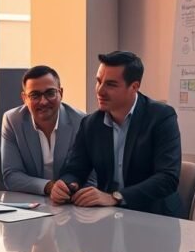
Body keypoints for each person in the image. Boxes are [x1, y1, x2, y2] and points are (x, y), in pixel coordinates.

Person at [51, 51, 184, 217]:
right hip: (109, 216)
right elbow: (75, 169)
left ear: (134, 87)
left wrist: (116, 197)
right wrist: (65, 184)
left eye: (111, 85)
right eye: (98, 81)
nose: (100, 91)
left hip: (155, 217)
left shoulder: (161, 117)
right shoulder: (91, 123)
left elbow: (167, 178)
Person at [0, 65, 87, 196]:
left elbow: (91, 175)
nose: (43, 102)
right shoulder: (12, 121)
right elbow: (11, 176)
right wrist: (49, 187)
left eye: (50, 93)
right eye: (35, 95)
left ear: (61, 93)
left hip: (72, 201)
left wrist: (70, 189)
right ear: (24, 98)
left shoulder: (81, 121)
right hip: (31, 202)